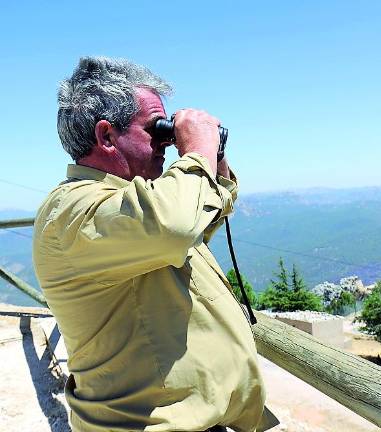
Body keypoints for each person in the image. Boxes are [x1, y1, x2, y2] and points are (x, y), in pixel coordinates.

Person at [32, 57, 267, 432]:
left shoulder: (131, 204)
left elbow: (196, 221)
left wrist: (213, 157)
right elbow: (174, 225)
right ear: (107, 136)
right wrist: (196, 152)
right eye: (155, 129)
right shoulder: (72, 210)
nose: (166, 140)